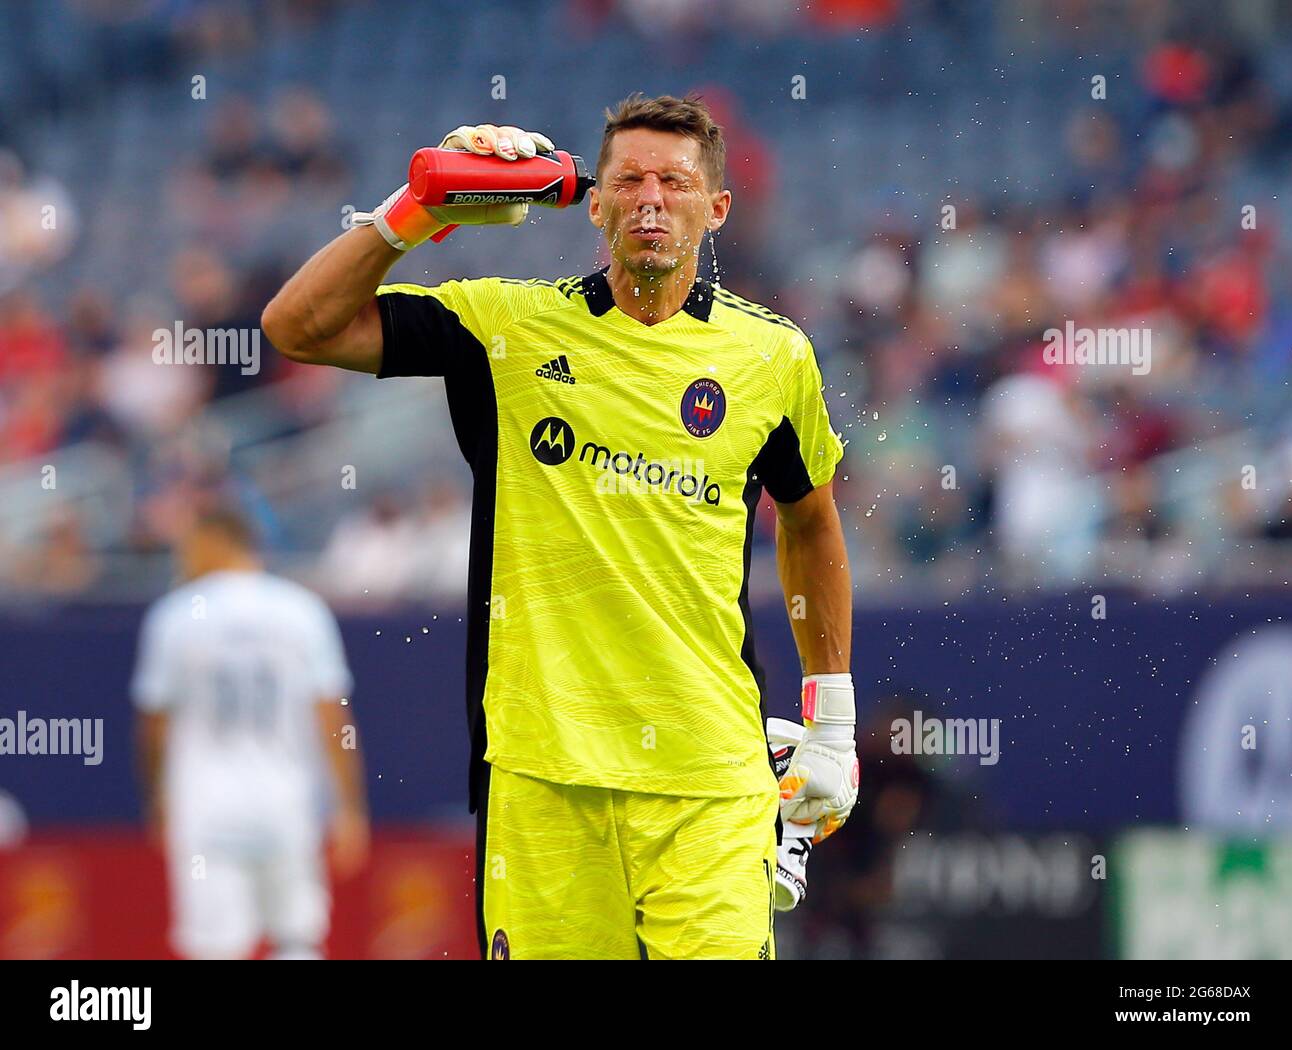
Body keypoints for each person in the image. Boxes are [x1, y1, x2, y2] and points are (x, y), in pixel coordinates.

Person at [262, 92, 856, 959]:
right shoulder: (505, 326)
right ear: (595, 202)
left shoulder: (773, 355)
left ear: (716, 207)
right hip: (542, 775)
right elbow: (296, 326)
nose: (651, 198)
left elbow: (812, 522)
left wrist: (832, 720)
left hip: (709, 778)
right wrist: (418, 209)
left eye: (676, 182)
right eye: (629, 180)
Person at [132, 507, 368, 959]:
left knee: (214, 945)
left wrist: (157, 797)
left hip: (205, 805)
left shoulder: (176, 615)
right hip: (287, 801)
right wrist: (349, 804)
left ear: (214, 539)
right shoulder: (301, 610)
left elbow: (154, 724)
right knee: (297, 938)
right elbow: (334, 718)